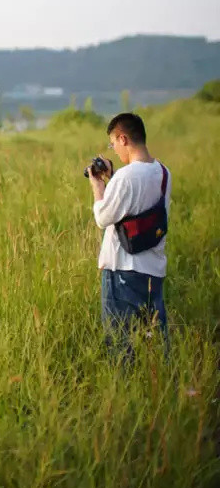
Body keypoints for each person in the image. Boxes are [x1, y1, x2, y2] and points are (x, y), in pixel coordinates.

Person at [87, 112, 171, 363]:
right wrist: (114, 178)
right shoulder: (163, 172)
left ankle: (125, 394)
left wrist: (98, 188)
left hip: (123, 272)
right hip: (152, 272)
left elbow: (103, 217)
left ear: (123, 138)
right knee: (154, 346)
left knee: (121, 348)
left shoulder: (125, 178)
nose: (114, 150)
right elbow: (138, 201)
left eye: (113, 144)